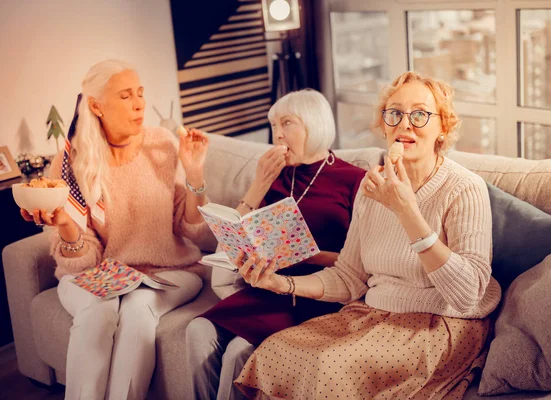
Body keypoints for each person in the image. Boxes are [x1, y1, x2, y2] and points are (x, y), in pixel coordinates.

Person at [232, 72, 502, 399]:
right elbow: (350, 277)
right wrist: (280, 283)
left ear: (442, 127)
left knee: (326, 365)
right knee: (276, 350)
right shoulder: (370, 187)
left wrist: (406, 210)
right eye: (395, 114)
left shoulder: (464, 188)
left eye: (419, 114)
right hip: (373, 315)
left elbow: (468, 293)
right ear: (385, 124)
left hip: (441, 323)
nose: (405, 124)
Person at [19, 59, 213, 400]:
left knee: (139, 310)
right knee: (98, 312)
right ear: (96, 105)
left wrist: (194, 175)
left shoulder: (163, 144)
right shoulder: (72, 162)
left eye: (140, 93)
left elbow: (197, 234)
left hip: (169, 271)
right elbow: (82, 262)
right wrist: (65, 223)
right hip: (101, 272)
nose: (139, 103)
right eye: (125, 96)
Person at [185, 89, 367, 400]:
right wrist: (259, 184)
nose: (278, 135)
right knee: (196, 331)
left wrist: (309, 255)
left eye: (287, 123)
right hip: (264, 290)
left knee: (238, 353)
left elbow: (362, 261)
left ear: (315, 124)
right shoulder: (273, 175)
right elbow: (231, 237)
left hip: (315, 293)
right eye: (273, 125)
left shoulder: (355, 179)